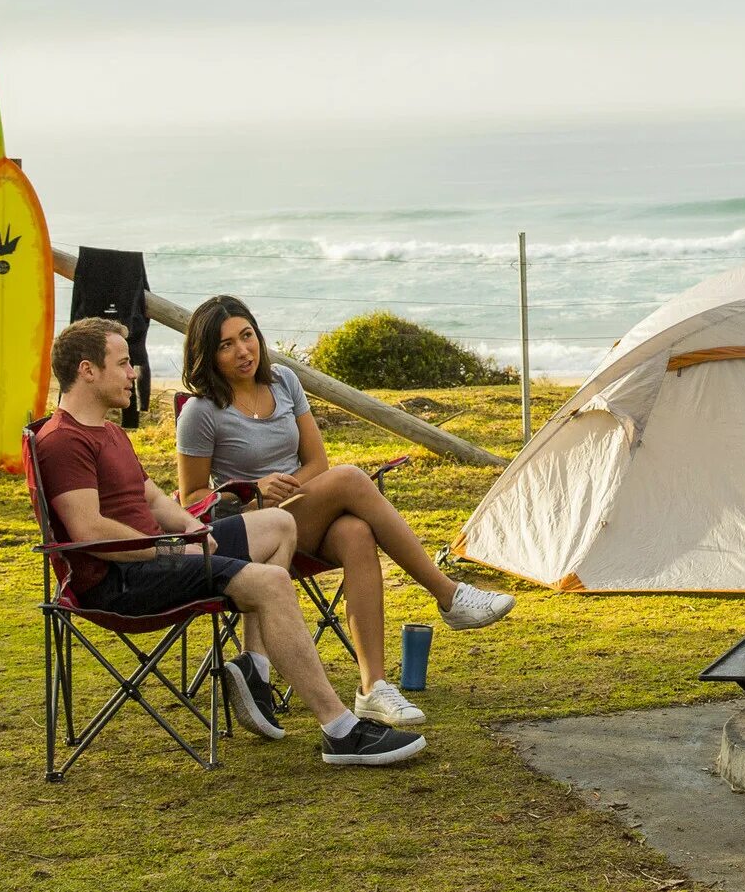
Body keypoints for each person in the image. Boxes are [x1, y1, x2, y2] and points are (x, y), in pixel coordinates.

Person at [36, 316, 424, 768]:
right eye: (123, 363)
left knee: (278, 525)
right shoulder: (63, 441)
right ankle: (340, 730)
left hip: (160, 557)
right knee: (270, 584)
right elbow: (89, 532)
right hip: (124, 580)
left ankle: (255, 669)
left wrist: (193, 530)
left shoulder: (109, 430)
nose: (133, 372)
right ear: (87, 370)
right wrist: (172, 548)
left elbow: (154, 498)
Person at [175, 294, 513, 730]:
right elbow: (193, 500)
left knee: (355, 531)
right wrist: (255, 492)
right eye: (226, 344)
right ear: (207, 354)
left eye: (247, 335)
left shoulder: (283, 383)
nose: (243, 350)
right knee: (353, 479)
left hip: (301, 512)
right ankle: (448, 595)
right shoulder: (202, 413)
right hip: (250, 535)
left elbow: (317, 463)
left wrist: (292, 492)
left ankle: (373, 688)